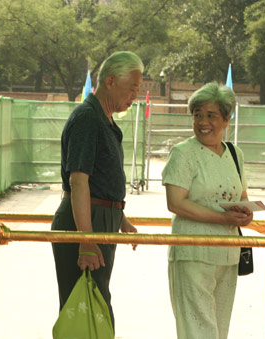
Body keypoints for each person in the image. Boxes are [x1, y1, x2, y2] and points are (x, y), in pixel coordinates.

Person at [51, 51, 142, 329]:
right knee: (85, 309)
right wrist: (86, 241)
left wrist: (120, 218)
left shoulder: (106, 120)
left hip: (100, 218)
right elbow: (79, 181)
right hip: (84, 221)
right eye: (132, 88)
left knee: (96, 304)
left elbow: (102, 180)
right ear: (111, 81)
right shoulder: (88, 118)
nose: (134, 96)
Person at [162, 82, 253, 339]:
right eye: (197, 115)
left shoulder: (235, 153)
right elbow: (175, 203)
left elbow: (242, 196)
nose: (203, 122)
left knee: (218, 329)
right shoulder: (183, 153)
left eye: (211, 115)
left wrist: (246, 214)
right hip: (193, 252)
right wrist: (222, 218)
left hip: (227, 254)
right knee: (199, 330)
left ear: (226, 119)